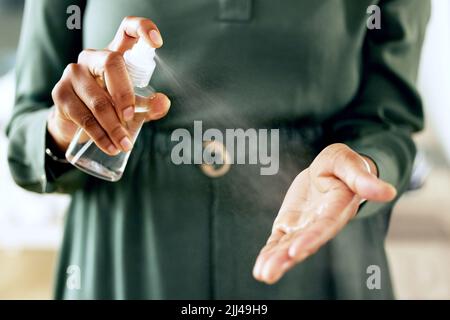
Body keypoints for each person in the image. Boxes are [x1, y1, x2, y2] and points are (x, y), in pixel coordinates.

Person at [6, 0, 430, 299]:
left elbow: (388, 121)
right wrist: (64, 127)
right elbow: (26, 127)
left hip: (313, 249)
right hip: (127, 258)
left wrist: (363, 166)